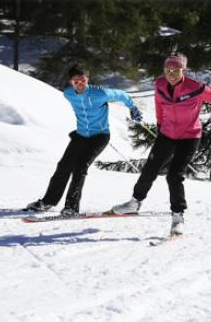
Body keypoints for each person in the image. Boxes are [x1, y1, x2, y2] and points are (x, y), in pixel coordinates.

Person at [111, 52, 211, 236]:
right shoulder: (160, 85)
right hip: (167, 133)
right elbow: (159, 104)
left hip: (190, 136)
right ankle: (135, 202)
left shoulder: (196, 88)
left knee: (174, 176)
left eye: (176, 70)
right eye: (168, 70)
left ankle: (178, 217)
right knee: (150, 168)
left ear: (184, 70)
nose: (171, 73)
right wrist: (159, 123)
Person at [26, 64, 143, 217]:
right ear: (70, 82)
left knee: (80, 166)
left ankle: (71, 208)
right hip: (80, 136)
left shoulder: (100, 93)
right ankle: (48, 202)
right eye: (76, 81)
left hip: (99, 136)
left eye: (82, 80)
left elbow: (122, 95)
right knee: (63, 166)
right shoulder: (68, 94)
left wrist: (133, 108)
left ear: (87, 79)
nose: (80, 84)